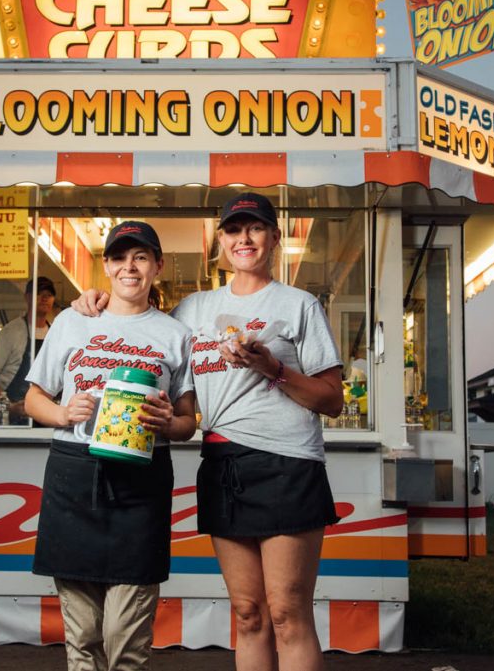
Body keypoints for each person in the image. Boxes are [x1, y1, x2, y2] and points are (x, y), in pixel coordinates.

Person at [72, 193, 344, 671]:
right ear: (220, 240)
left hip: (287, 462)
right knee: (247, 613)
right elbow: (137, 320)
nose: (244, 238)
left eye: (255, 228)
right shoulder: (192, 309)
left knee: (286, 615)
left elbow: (332, 400)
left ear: (274, 238)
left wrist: (273, 368)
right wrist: (91, 300)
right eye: (234, 230)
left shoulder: (300, 305)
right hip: (220, 463)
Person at [24, 221, 198, 671]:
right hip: (74, 476)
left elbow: (187, 424)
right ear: (106, 266)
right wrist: (63, 413)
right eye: (120, 258)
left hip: (141, 480)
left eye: (140, 257)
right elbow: (33, 397)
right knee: (81, 636)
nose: (130, 267)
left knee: (126, 639)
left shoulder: (175, 334)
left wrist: (169, 423)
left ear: (157, 266)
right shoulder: (72, 320)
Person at [0, 275, 57, 422]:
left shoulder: (56, 335)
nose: (44, 298)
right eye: (39, 293)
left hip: (46, 417)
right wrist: (9, 407)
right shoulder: (12, 331)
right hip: (13, 420)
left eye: (49, 295)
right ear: (27, 297)